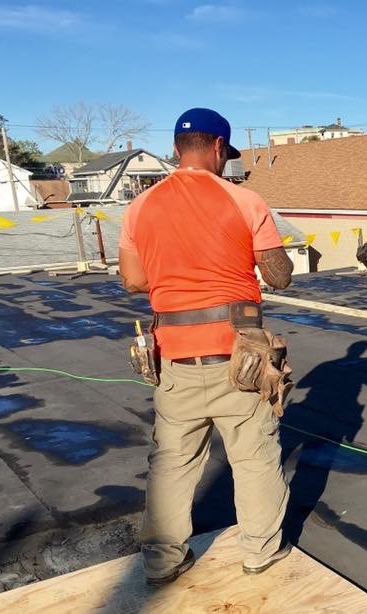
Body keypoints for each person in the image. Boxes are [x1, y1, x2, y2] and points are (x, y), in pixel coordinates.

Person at [118, 107, 296, 586]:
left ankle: (161, 560)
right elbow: (279, 276)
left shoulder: (139, 207)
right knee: (254, 458)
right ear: (218, 147)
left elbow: (133, 279)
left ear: (177, 149)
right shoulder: (245, 201)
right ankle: (260, 553)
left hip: (173, 358)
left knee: (172, 464)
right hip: (240, 357)